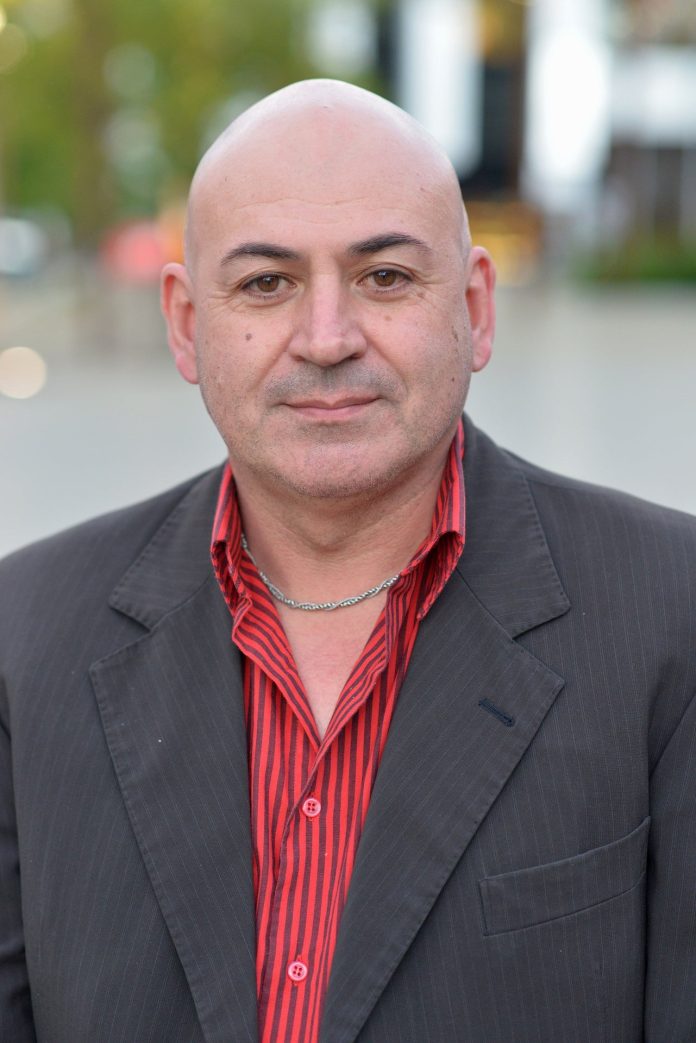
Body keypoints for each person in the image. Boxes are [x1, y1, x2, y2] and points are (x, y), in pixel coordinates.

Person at [1, 79, 695, 1043]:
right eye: (266, 283)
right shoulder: (23, 634)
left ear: (476, 308)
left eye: (385, 277)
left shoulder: (672, 615)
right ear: (187, 325)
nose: (326, 339)